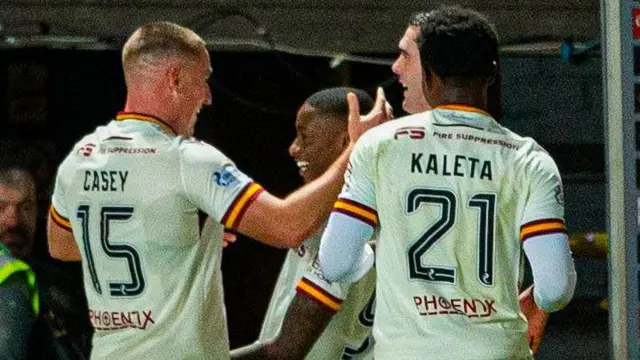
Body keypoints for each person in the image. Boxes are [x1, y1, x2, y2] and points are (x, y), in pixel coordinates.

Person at [46, 22, 390, 359]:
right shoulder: (188, 160)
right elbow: (287, 227)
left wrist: (172, 234)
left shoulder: (80, 158)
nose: (208, 96)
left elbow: (61, 245)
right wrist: (357, 150)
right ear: (175, 79)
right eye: (204, 78)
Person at [319, 6, 576, 360]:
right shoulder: (528, 159)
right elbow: (555, 289)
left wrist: (371, 257)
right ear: (492, 75)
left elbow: (334, 264)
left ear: (428, 74)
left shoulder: (379, 145)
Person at [390, 10, 552, 355]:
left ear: (432, 67)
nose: (395, 67)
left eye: (406, 55)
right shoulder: (519, 156)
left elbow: (336, 261)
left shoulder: (380, 152)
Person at [230, 87, 378, 360]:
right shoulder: (324, 214)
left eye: (304, 135)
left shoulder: (346, 228)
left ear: (346, 141)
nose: (293, 147)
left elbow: (287, 351)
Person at [0, 162, 40, 359]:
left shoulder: (62, 284)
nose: (13, 221)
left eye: (25, 208)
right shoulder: (10, 276)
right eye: (0, 208)